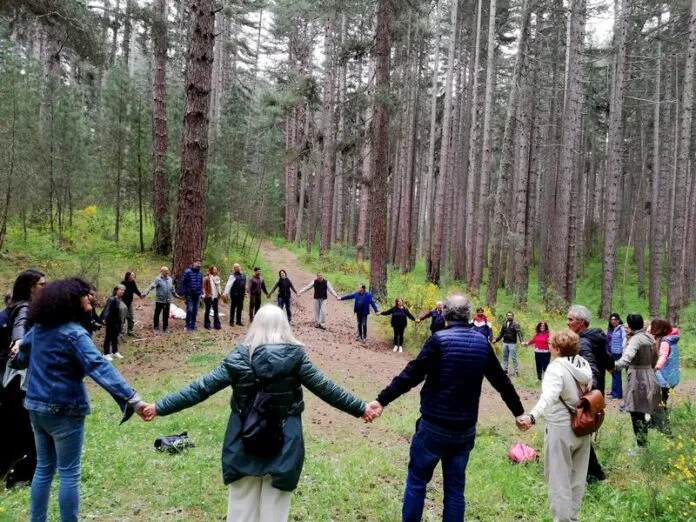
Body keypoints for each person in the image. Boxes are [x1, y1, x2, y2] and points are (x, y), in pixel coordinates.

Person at [141, 304, 377, 522]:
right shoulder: (296, 358)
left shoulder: (238, 358)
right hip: (286, 438)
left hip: (242, 437)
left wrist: (159, 406)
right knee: (275, 508)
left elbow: (200, 388)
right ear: (284, 325)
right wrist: (361, 408)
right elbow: (327, 388)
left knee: (240, 507)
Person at [368, 295, 526, 522]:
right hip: (464, 431)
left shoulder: (438, 341)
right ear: (469, 315)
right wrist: (519, 412)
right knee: (454, 490)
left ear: (445, 314)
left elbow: (411, 375)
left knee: (416, 482)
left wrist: (382, 400)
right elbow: (502, 382)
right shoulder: (482, 344)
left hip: (433, 428)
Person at [9, 277, 149, 522]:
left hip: (36, 408)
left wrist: (16, 354)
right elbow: (98, 366)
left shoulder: (40, 328)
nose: (90, 298)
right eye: (86, 295)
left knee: (43, 469)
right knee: (69, 473)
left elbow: (20, 357)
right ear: (70, 300)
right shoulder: (74, 333)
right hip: (65, 410)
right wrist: (133, 399)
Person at [518, 330, 593, 522]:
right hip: (583, 427)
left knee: (558, 480)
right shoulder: (583, 364)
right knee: (577, 480)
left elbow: (549, 397)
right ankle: (573, 518)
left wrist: (532, 416)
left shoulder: (555, 368)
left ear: (558, 349)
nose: (548, 347)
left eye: (550, 344)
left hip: (560, 429)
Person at [1, 270, 45, 488]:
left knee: (13, 425)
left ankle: (13, 471)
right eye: (42, 285)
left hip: (11, 378)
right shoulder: (25, 308)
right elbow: (21, 324)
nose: (45, 288)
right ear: (30, 287)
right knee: (25, 427)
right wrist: (19, 342)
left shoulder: (12, 306)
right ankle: (21, 475)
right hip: (19, 379)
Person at [566, 304, 614, 482]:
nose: (567, 322)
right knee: (582, 431)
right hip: (596, 393)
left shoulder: (583, 342)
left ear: (582, 323)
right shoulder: (597, 338)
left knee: (580, 431)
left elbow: (591, 368)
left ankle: (595, 475)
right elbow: (609, 361)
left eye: (571, 319)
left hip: (587, 395)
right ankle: (586, 472)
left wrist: (588, 389)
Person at [614, 314, 661, 447]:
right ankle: (642, 445)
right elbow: (655, 359)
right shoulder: (649, 338)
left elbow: (626, 359)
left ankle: (641, 446)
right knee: (642, 411)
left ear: (630, 324)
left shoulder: (635, 340)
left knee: (636, 413)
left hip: (637, 378)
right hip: (649, 375)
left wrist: (613, 365)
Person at [650, 318, 680, 434]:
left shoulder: (665, 342)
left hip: (663, 376)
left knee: (659, 404)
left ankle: (666, 430)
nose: (653, 330)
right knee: (662, 402)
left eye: (655, 328)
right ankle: (655, 424)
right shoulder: (673, 339)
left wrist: (656, 367)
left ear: (661, 329)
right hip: (671, 377)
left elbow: (663, 356)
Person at [142, 266, 178, 333]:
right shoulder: (158, 279)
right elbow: (152, 286)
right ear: (161, 272)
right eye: (165, 271)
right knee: (157, 314)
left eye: (167, 270)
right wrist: (145, 293)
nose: (167, 272)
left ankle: (165, 327)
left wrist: (176, 295)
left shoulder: (170, 279)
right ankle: (156, 327)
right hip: (160, 300)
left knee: (166, 314)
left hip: (167, 300)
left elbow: (172, 289)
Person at [493, 311, 524, 376]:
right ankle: (505, 370)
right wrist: (496, 340)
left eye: (511, 315)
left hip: (512, 343)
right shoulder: (504, 324)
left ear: (513, 316)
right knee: (504, 357)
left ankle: (516, 371)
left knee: (513, 357)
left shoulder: (516, 324)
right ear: (506, 316)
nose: (509, 316)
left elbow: (519, 333)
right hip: (505, 343)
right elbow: (501, 334)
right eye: (508, 315)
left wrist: (521, 341)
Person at [101, 285, 127, 361]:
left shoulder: (120, 299)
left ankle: (114, 351)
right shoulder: (111, 299)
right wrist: (104, 319)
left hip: (117, 320)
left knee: (115, 336)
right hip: (110, 320)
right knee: (108, 336)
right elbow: (107, 309)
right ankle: (106, 354)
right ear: (116, 290)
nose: (122, 291)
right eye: (121, 290)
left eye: (123, 290)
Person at [180, 259, 203, 332]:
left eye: (200, 263)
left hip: (198, 294)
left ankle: (193, 325)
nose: (199, 264)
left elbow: (201, 283)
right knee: (190, 309)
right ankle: (187, 326)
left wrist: (201, 292)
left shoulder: (200, 272)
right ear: (193, 263)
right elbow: (183, 282)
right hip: (189, 294)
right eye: (197, 263)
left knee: (195, 310)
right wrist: (183, 292)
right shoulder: (188, 272)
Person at [606, 313, 625, 399]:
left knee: (617, 372)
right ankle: (614, 392)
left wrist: (624, 351)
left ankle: (618, 394)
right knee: (613, 372)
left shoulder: (621, 328)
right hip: (610, 353)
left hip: (618, 353)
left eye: (615, 319)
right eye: (612, 319)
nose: (613, 321)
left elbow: (624, 339)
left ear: (618, 320)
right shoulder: (610, 329)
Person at [120, 271, 142, 336]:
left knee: (130, 317)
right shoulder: (123, 283)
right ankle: (121, 332)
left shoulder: (133, 282)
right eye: (132, 275)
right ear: (128, 276)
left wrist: (140, 295)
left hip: (129, 303)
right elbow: (119, 292)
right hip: (123, 303)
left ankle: (130, 331)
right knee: (122, 318)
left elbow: (136, 290)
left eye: (134, 275)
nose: (134, 276)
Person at [203, 266, 222, 330]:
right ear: (211, 270)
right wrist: (205, 294)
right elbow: (204, 287)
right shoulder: (207, 278)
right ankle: (207, 324)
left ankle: (217, 324)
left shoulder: (217, 278)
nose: (215, 270)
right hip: (209, 296)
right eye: (214, 269)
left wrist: (220, 294)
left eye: (216, 269)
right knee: (207, 311)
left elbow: (219, 287)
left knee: (216, 311)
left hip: (216, 296)